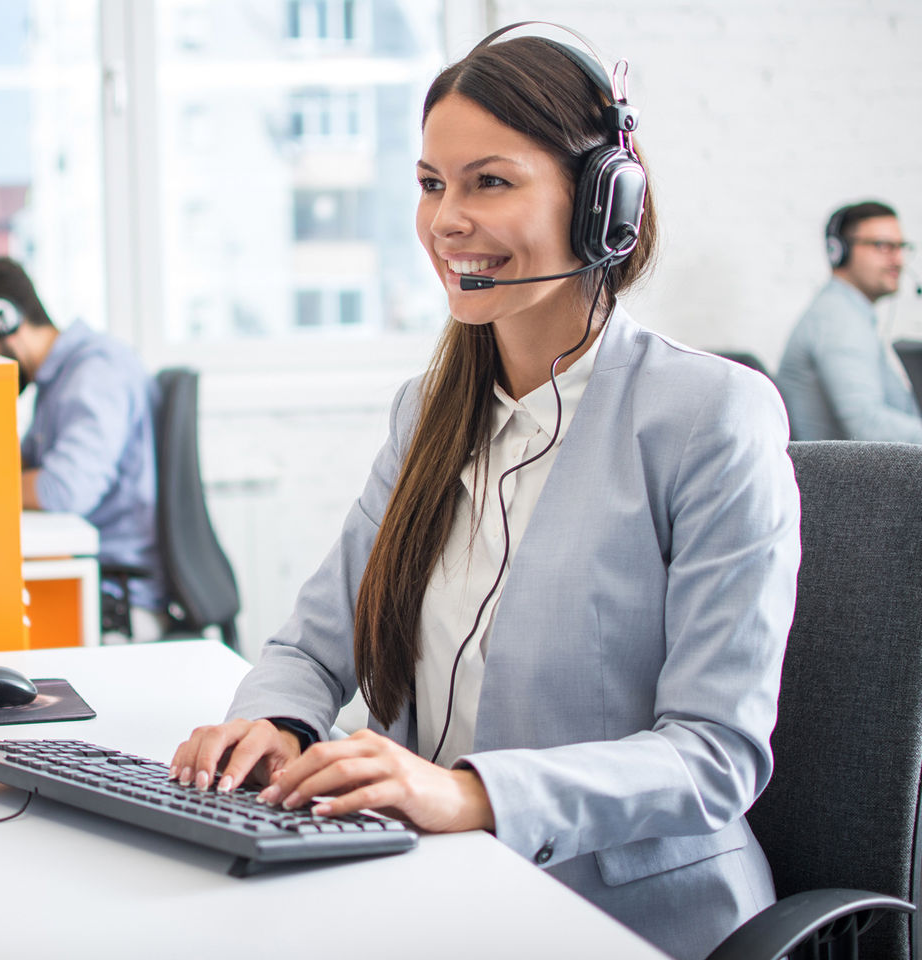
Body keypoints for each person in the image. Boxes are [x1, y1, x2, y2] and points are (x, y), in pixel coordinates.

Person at [169, 26, 800, 960]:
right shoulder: (430, 411)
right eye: (431, 184)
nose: (445, 221)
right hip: (434, 889)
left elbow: (716, 754)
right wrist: (275, 721)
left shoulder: (711, 417)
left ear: (602, 207)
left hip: (631, 918)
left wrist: (468, 793)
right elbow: (312, 638)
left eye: (488, 182)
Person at [0, 256, 167, 641]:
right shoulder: (57, 382)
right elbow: (20, 467)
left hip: (120, 596)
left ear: (4, 319)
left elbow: (64, 488)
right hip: (96, 577)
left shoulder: (96, 370)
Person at [775, 201, 922, 441]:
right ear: (839, 252)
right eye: (883, 246)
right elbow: (867, 427)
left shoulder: (848, 312)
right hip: (839, 477)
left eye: (900, 247)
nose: (898, 260)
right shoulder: (837, 320)